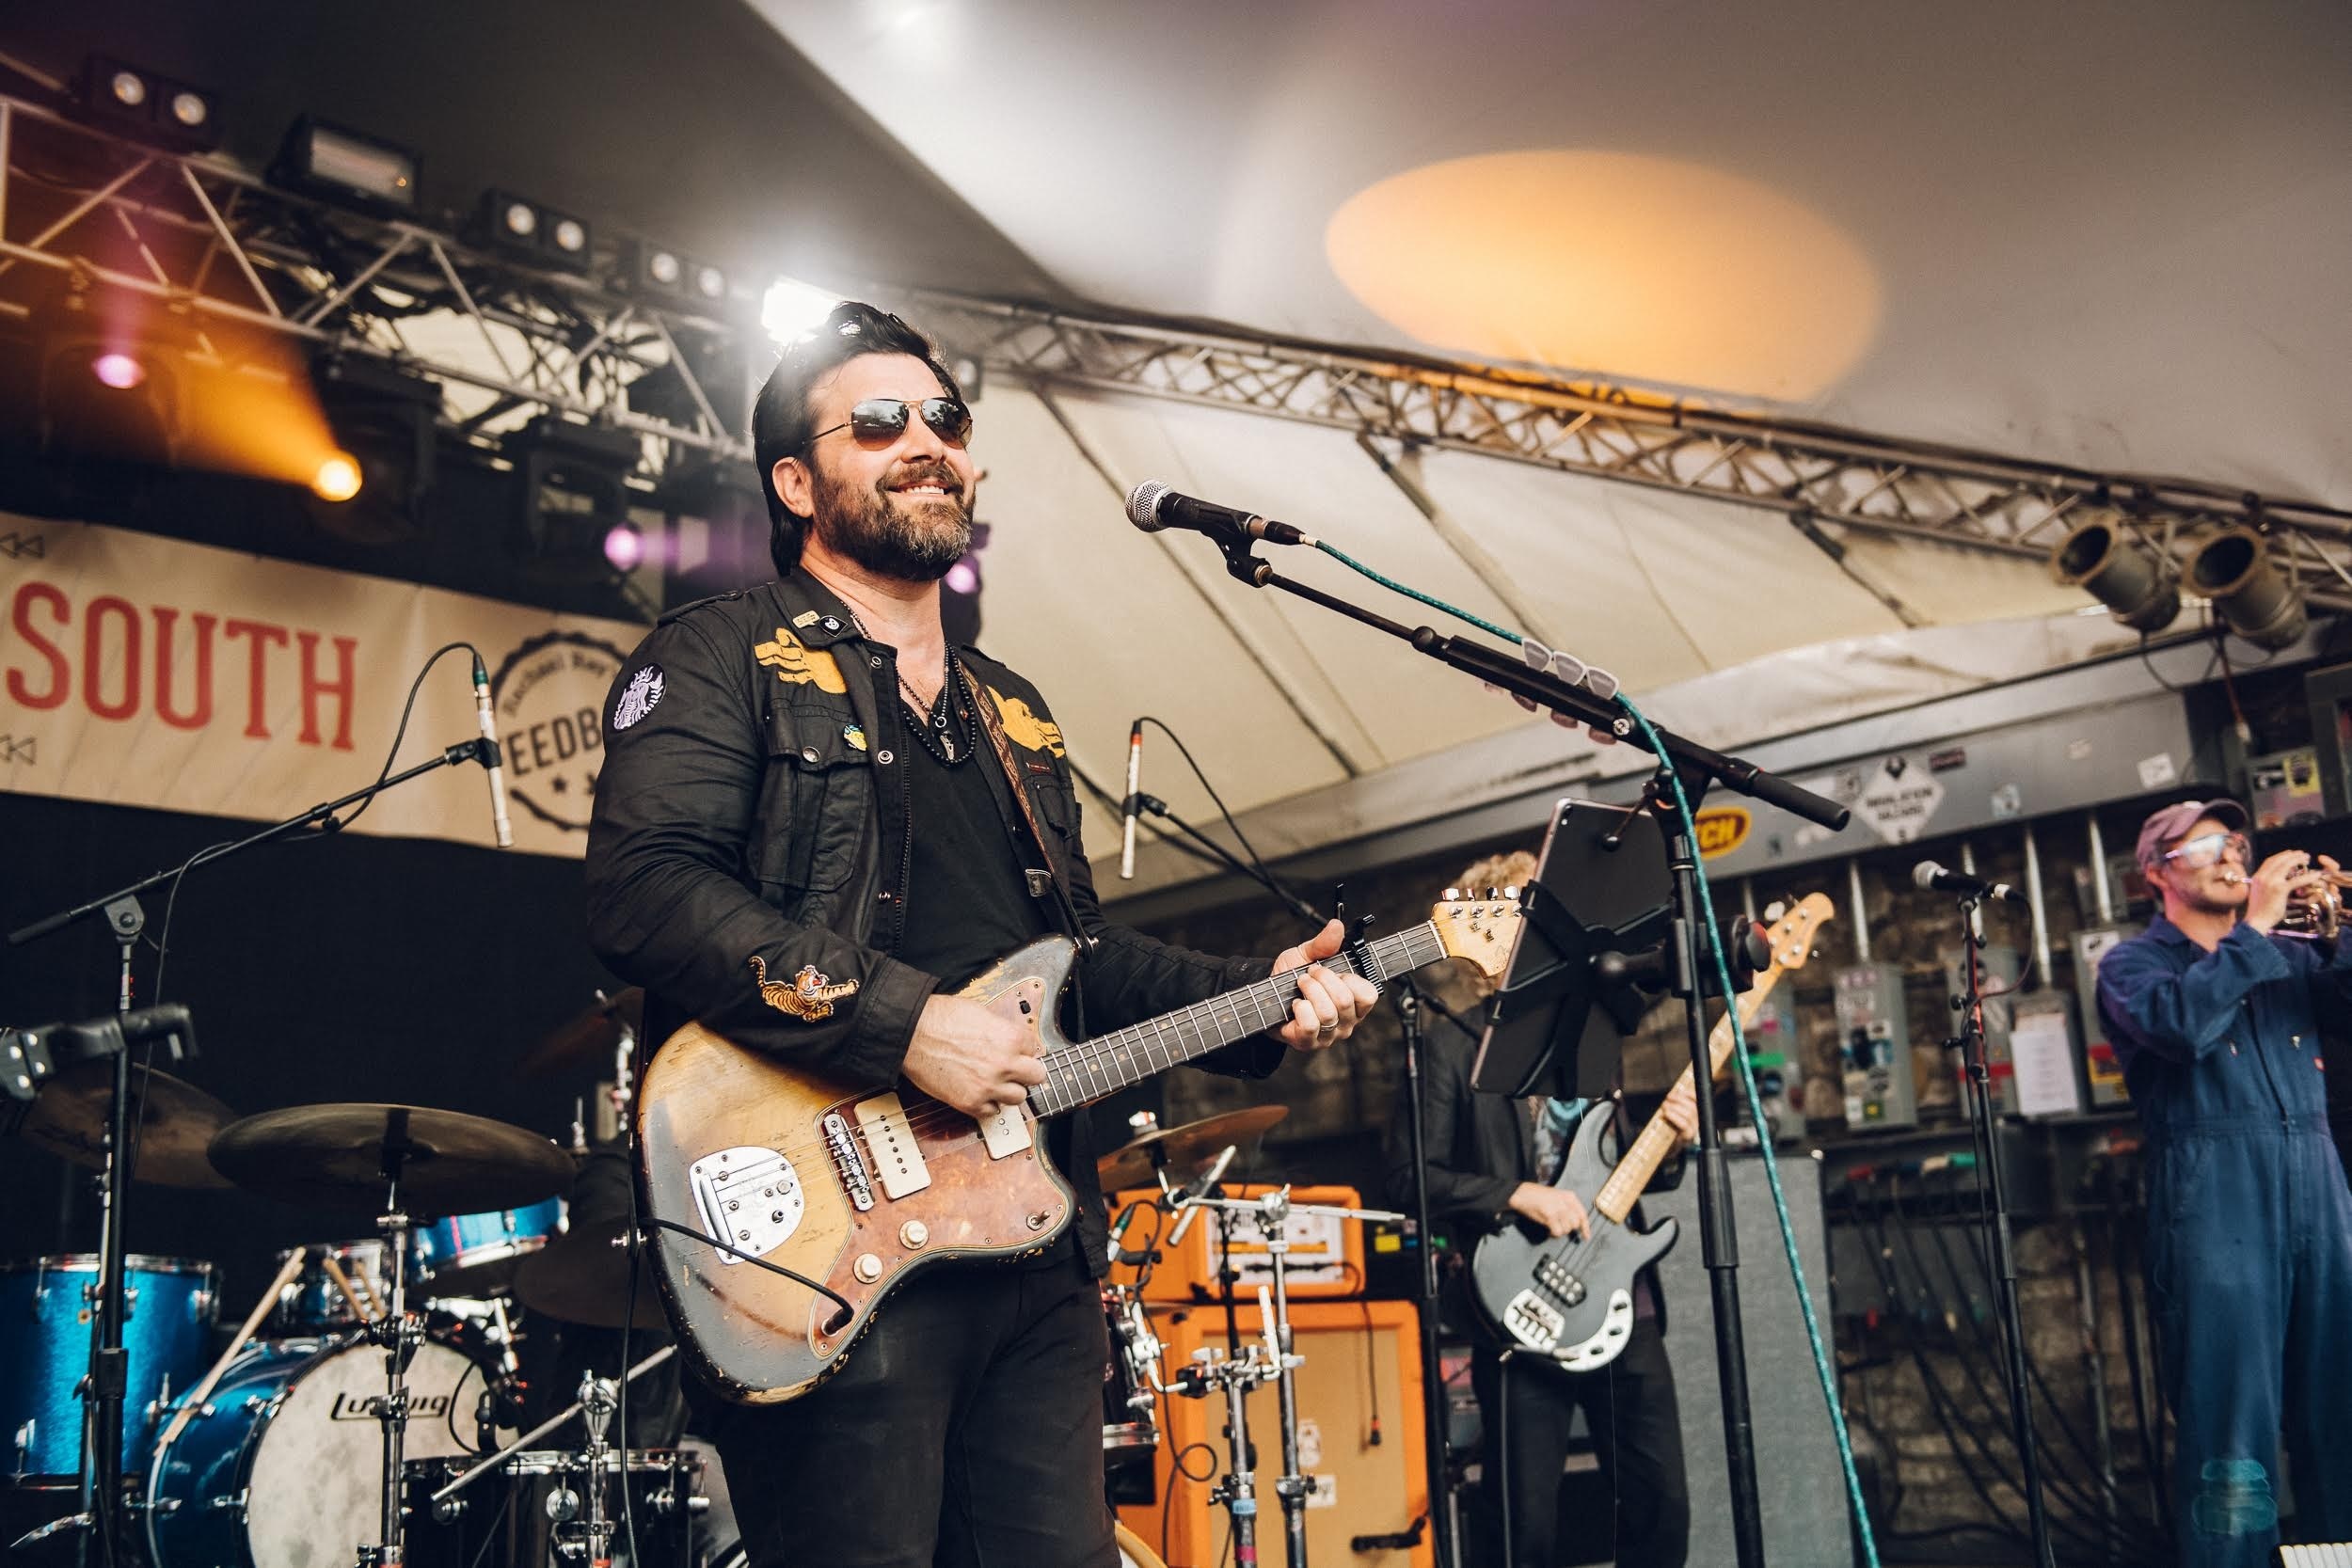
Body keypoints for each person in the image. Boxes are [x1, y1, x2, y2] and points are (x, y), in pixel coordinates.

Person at [581, 301, 1378, 1568]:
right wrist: (904, 1023)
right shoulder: (723, 653)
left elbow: (1080, 956)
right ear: (796, 480)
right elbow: (642, 889)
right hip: (835, 1244)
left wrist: (1261, 996)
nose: (926, 442)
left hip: (1031, 1248)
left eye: (944, 418)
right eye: (879, 421)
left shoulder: (1015, 714)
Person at [1386, 849, 1695, 1568]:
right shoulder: (1449, 1044)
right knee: (1525, 1529)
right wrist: (1517, 1193)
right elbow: (1408, 1176)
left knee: (1662, 1508)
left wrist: (1672, 1142)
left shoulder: (1593, 1028)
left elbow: (1617, 1170)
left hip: (1622, 1301)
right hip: (1518, 1304)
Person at [2096, 800, 2352, 1567]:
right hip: (2215, 1203)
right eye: (2204, 843)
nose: (2230, 853)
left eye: (2236, 841)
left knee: (2343, 1415)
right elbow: (2181, 1026)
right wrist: (2257, 929)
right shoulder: (2132, 965)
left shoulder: (2298, 957)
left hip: (2320, 1186)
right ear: (2156, 873)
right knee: (2233, 1433)